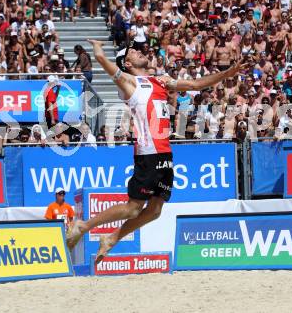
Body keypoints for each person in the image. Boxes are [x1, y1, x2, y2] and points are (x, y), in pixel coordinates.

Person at [66, 39, 246, 262]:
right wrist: (99, 50)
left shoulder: (160, 81)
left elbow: (195, 85)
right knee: (133, 208)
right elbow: (104, 62)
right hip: (149, 152)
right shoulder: (129, 83)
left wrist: (228, 72)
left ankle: (111, 239)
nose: (138, 52)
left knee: (155, 211)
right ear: (127, 64)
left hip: (165, 152)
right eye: (132, 52)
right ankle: (83, 226)